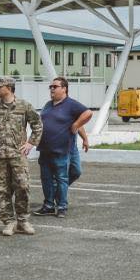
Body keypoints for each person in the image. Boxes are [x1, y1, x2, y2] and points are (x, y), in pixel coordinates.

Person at [0, 76, 42, 237]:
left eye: (0, 87)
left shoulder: (24, 106)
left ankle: (23, 221)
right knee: (1, 190)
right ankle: (9, 222)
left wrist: (31, 143)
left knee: (23, 187)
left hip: (18, 155)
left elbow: (37, 125)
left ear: (9, 88)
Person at [34, 77, 92, 218]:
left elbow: (87, 114)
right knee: (46, 178)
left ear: (64, 88)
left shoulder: (71, 104)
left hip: (62, 149)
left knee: (63, 177)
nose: (52, 89)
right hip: (45, 148)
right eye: (51, 87)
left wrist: (80, 131)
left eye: (55, 86)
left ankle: (61, 206)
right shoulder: (48, 105)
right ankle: (48, 205)